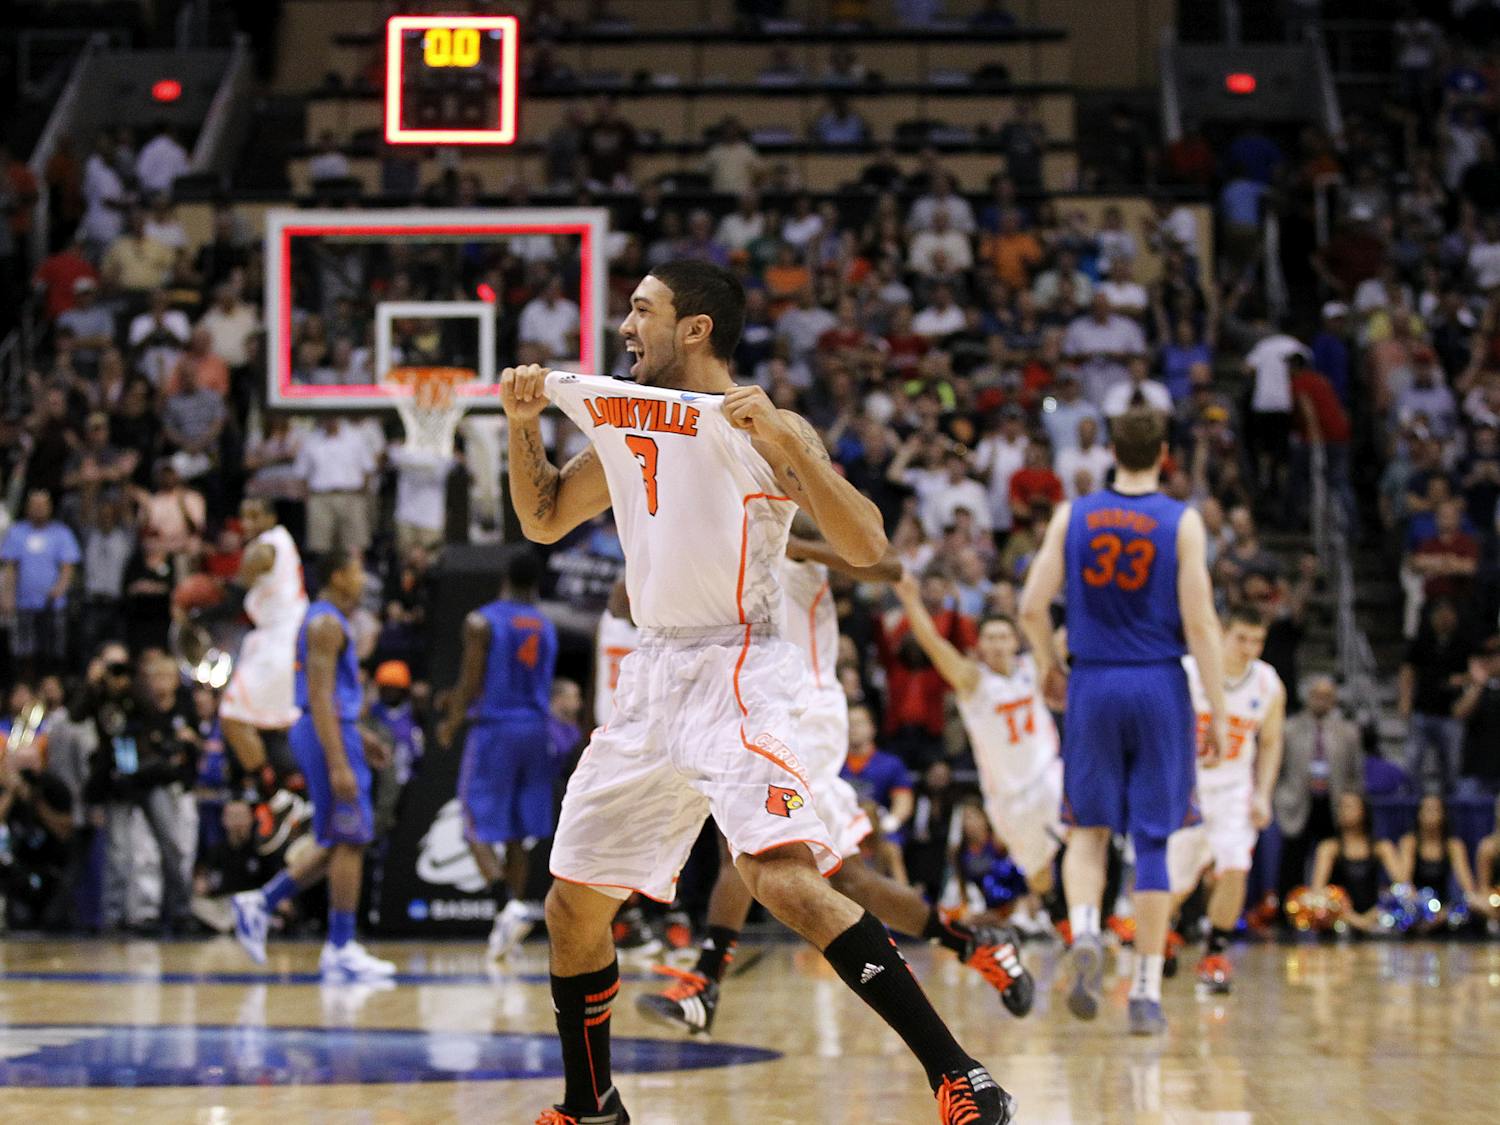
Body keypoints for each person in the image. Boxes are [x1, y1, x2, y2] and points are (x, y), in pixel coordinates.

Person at [502, 259, 1014, 1125]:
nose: (624, 326)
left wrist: (790, 448)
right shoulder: (625, 428)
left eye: (641, 310)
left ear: (695, 329)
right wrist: (521, 426)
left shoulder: (763, 424)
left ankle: (963, 1076)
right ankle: (591, 1105)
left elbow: (866, 544)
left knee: (781, 878)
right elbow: (544, 516)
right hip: (650, 675)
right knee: (571, 902)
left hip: (737, 665)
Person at [637, 530, 1035, 1037]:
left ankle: (704, 984)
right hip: (766, 703)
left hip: (799, 707)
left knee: (742, 839)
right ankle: (972, 944)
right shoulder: (727, 533)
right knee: (848, 880)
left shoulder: (782, 528)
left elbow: (879, 562)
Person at [1019, 405, 1227, 1036]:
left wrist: (1050, 665)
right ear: (1165, 453)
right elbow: (1200, 624)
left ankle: (1085, 931)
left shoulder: (1071, 516)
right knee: (1157, 841)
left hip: (1094, 681)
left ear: (1110, 449)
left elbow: (1030, 608)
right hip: (1160, 682)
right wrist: (1215, 706)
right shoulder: (1181, 521)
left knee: (1088, 832)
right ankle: (1144, 992)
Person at [230, 551, 396, 980]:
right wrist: (340, 760)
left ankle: (261, 903)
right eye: (358, 569)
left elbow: (330, 698)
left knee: (337, 839)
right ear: (339, 576)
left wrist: (359, 735)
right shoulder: (324, 623)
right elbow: (319, 697)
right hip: (327, 736)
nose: (363, 579)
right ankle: (340, 947)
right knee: (352, 841)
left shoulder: (327, 620)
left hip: (333, 730)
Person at [892, 571, 1064, 906]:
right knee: (1038, 873)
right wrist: (911, 600)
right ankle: (1060, 921)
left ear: (1016, 641)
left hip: (1050, 776)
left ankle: (1091, 915)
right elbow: (933, 643)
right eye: (991, 638)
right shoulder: (973, 681)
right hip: (1010, 795)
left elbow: (1069, 635)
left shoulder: (1036, 666)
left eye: (1004, 637)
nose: (998, 644)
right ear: (979, 645)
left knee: (1087, 837)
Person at [437, 550, 559, 961]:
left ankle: (505, 904)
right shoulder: (545, 625)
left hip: (496, 728)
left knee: (472, 823)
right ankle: (510, 922)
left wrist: (451, 721)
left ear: (504, 578)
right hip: (536, 730)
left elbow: (471, 680)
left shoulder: (482, 621)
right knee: (517, 834)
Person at [1165, 605, 1285, 993]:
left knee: (1235, 866)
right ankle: (1158, 938)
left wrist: (1264, 794)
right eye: (1242, 639)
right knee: (1176, 883)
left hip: (1234, 789)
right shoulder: (1187, 672)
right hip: (1186, 786)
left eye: (1258, 641)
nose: (1250, 648)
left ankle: (1215, 951)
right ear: (1220, 633)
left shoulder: (1268, 684)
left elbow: (1270, 742)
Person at [218, 498, 308, 784]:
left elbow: (233, 599)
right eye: (244, 516)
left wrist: (198, 606)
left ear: (271, 517)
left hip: (278, 641)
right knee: (281, 725)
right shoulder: (282, 541)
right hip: (284, 638)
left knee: (232, 716)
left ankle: (271, 790)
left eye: (256, 515)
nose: (249, 523)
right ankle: (292, 787)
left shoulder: (264, 547)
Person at [1274, 675, 1365, 902]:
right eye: (1317, 695)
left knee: (1334, 858)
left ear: (1334, 699)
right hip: (1298, 802)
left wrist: (1351, 802)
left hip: (1333, 803)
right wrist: (1279, 796)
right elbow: (1277, 768)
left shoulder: (1348, 732)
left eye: (1327, 696)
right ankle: (1289, 911)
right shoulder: (1289, 728)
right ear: (1308, 697)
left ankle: (1333, 908)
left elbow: (1355, 772)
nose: (1321, 700)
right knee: (1293, 859)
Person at [1309, 793, 1401, 933]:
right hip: (1339, 920)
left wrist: (1375, 913)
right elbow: (1317, 891)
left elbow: (1402, 886)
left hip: (1375, 916)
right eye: (1342, 807)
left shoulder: (1381, 847)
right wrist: (1352, 918)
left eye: (1350, 806)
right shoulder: (1328, 848)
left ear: (1364, 811)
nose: (1345, 811)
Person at [1396, 794, 1479, 928]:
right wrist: (1421, 906)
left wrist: (1445, 912)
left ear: (1444, 815)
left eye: (1435, 810)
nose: (1431, 816)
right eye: (1427, 810)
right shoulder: (1410, 842)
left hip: (1445, 910)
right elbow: (1404, 881)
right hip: (1415, 906)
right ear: (1419, 814)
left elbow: (1467, 885)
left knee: (1471, 904)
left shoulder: (1453, 845)